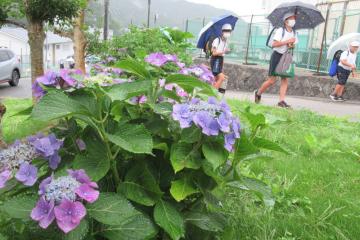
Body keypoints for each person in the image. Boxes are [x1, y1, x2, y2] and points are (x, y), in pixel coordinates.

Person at [254, 12, 298, 108]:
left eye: (294, 18)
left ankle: (281, 101)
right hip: (277, 56)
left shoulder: (294, 33)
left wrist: (291, 45)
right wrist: (287, 41)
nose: (293, 20)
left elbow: (293, 45)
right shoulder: (280, 31)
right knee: (272, 80)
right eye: (291, 18)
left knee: (285, 79)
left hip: (286, 57)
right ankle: (258, 92)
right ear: (286, 21)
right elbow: (274, 44)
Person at [211, 24, 232, 89]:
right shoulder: (217, 40)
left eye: (229, 31)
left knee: (216, 78)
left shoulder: (225, 42)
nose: (228, 33)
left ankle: (211, 94)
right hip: (215, 60)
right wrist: (224, 52)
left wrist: (226, 52)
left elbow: (222, 55)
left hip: (220, 60)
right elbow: (214, 53)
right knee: (222, 77)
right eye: (226, 31)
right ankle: (213, 94)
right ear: (222, 32)